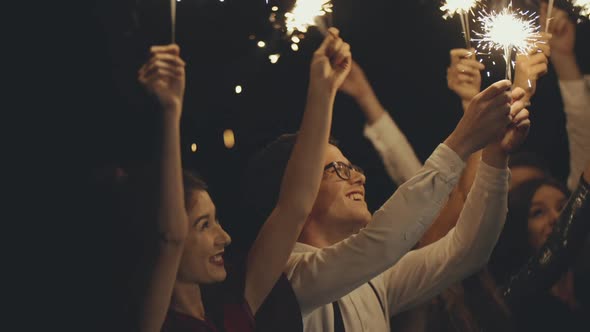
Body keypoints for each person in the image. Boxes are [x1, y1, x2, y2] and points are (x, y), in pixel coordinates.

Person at [241, 44, 531, 330]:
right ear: (297, 187)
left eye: (354, 167)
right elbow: (382, 241)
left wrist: (495, 157)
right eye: (340, 169)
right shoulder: (290, 278)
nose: (359, 177)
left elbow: (467, 250)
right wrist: (463, 139)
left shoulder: (375, 278)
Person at [132, 28, 352, 332]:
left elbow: (294, 206)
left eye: (216, 220)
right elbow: (170, 238)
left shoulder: (235, 305)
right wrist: (171, 112)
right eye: (203, 225)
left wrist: (323, 90)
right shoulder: (153, 324)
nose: (225, 237)